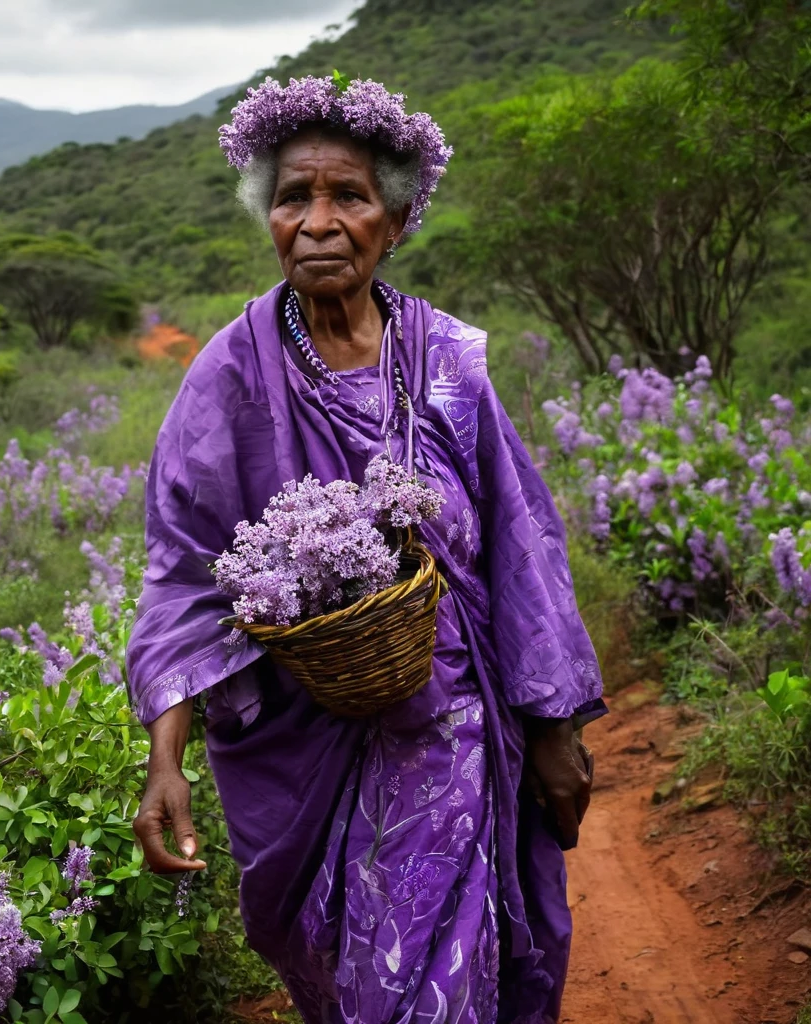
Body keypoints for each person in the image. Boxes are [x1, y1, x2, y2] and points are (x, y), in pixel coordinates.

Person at [128, 75, 605, 1024]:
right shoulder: (229, 375)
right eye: (292, 197)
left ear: (394, 219)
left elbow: (522, 546)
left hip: (453, 733)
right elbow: (183, 572)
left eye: (347, 196)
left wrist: (552, 727)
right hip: (303, 741)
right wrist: (165, 762)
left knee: (430, 983)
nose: (316, 221)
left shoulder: (447, 361)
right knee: (348, 979)